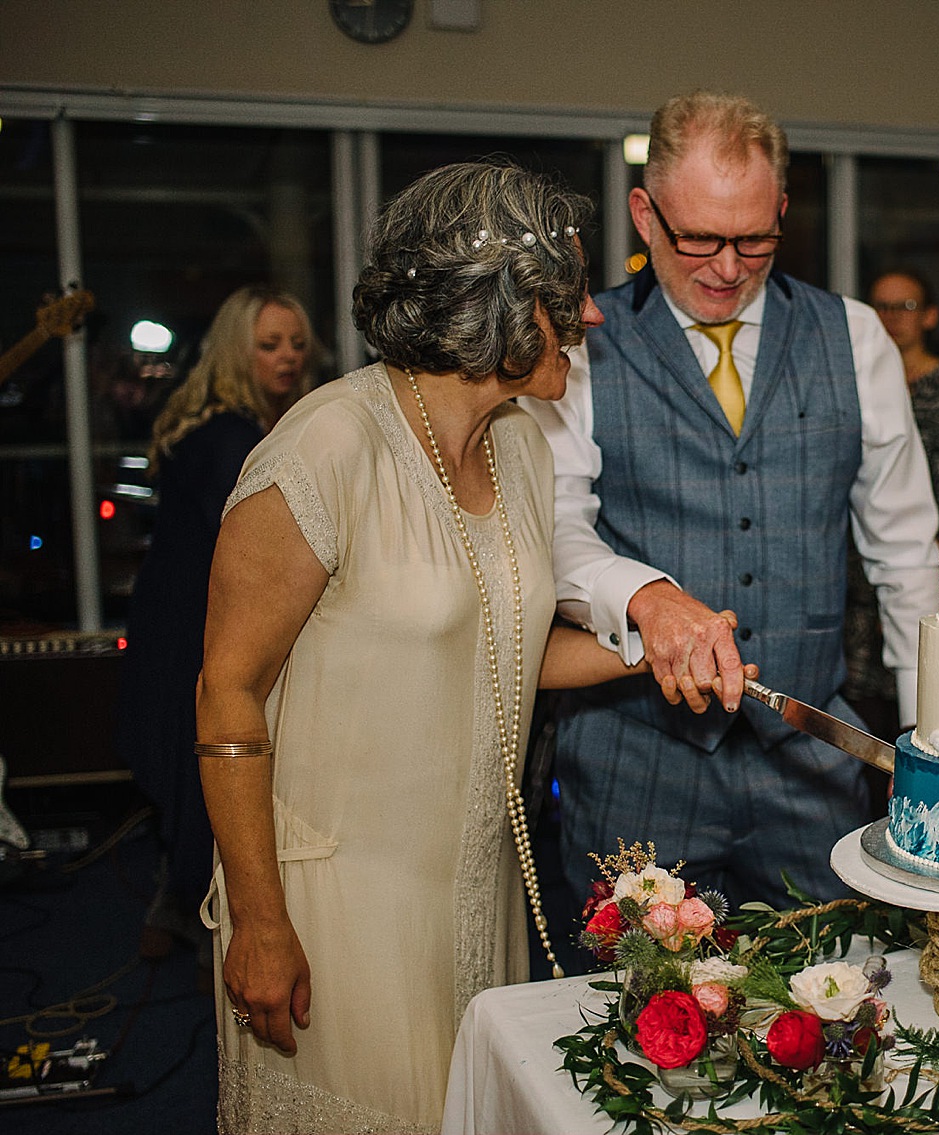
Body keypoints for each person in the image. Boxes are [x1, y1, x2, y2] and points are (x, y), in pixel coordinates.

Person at [196, 161, 644, 1132]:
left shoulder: (520, 442)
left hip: (471, 897)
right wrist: (262, 923)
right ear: (488, 303)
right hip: (335, 910)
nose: (592, 316)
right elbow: (224, 694)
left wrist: (652, 648)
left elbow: (508, 652)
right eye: (563, 293)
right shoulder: (322, 451)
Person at [520, 92, 939, 945]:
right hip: (635, 765)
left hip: (812, 764)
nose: (727, 267)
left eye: (754, 239)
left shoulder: (855, 338)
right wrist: (645, 594)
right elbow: (555, 532)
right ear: (644, 213)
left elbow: (906, 560)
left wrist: (930, 743)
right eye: (698, 238)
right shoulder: (580, 345)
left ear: (783, 211)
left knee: (834, 1015)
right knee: (640, 1038)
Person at [118, 284, 318, 966]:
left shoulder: (224, 423)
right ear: (238, 352)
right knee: (213, 763)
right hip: (191, 625)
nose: (288, 358)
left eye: (296, 343)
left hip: (172, 614)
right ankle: (215, 925)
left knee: (190, 764)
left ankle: (185, 907)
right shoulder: (234, 436)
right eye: (270, 345)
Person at [842, 269, 939, 738]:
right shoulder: (852, 383)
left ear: (929, 316)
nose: (891, 319)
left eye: (904, 307)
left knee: (917, 694)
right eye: (882, 307)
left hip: (923, 555)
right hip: (853, 564)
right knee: (857, 702)